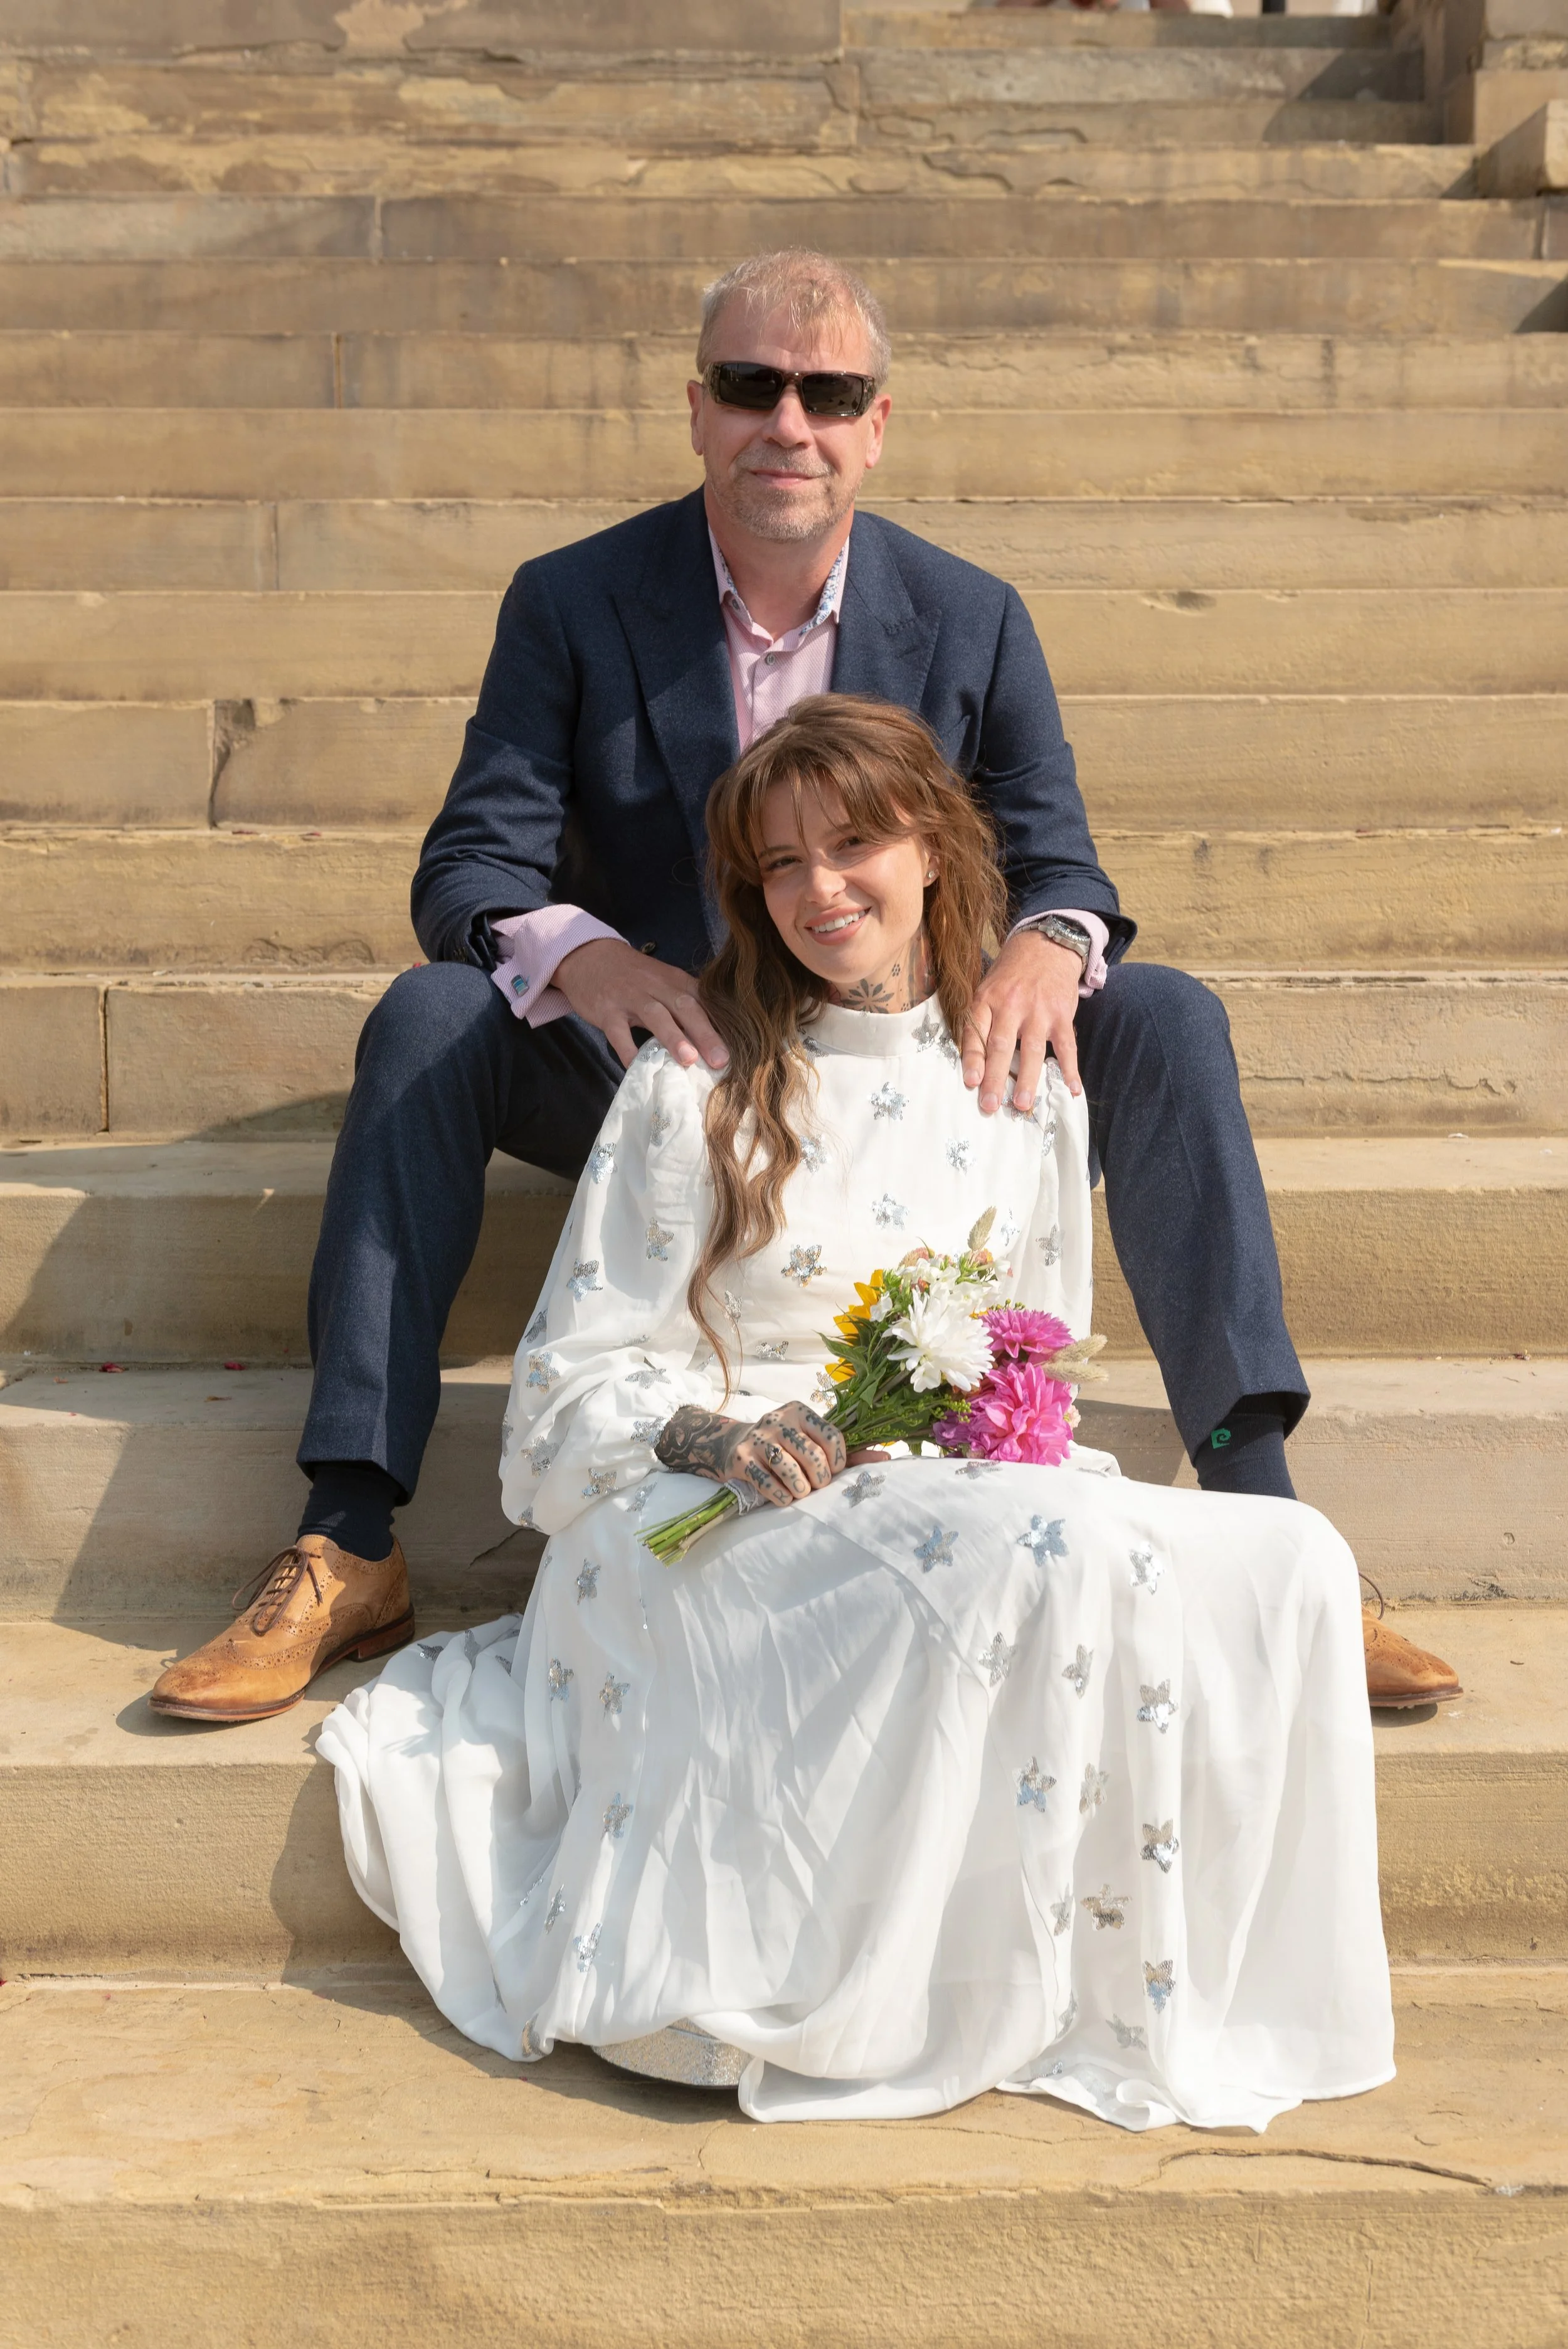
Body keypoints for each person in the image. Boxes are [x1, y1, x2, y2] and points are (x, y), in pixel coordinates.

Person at [149, 246, 1456, 1724]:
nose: (790, 421)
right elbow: (468, 868)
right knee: (430, 1017)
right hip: (661, 1077)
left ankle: (1269, 1523)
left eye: (827, 393)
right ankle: (348, 1536)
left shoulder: (971, 614)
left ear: (875, 424)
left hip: (897, 1088)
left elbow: (1062, 858)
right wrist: (587, 960)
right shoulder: (572, 601)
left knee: (1163, 1018)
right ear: (697, 410)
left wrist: (1052, 932)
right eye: (752, 386)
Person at [319, 697, 1396, 2128]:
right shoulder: (688, 1080)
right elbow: (567, 1382)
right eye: (779, 865)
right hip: (695, 1508)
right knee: (1027, 1556)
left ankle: (1116, 1982)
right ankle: (866, 1988)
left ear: (939, 849)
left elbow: (1027, 1355)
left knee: (1293, 1566)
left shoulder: (1022, 1091)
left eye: (855, 844)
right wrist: (717, 1441)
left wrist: (955, 1433)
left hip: (933, 1488)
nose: (820, 889)